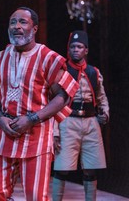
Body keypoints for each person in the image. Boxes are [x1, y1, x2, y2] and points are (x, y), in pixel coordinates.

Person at [0, 7, 79, 201]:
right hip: (4, 132)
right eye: (12, 22)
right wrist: (0, 118)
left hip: (36, 135)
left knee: (36, 195)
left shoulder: (47, 57)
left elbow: (63, 96)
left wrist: (32, 118)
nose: (16, 26)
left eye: (22, 22)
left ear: (34, 29)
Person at [52, 30, 109, 201]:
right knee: (62, 168)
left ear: (86, 50)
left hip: (91, 122)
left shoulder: (93, 72)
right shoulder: (62, 72)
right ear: (68, 50)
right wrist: (55, 131)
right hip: (68, 120)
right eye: (73, 47)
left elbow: (100, 96)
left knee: (91, 168)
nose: (76, 50)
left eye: (80, 47)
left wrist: (104, 112)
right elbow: (53, 102)